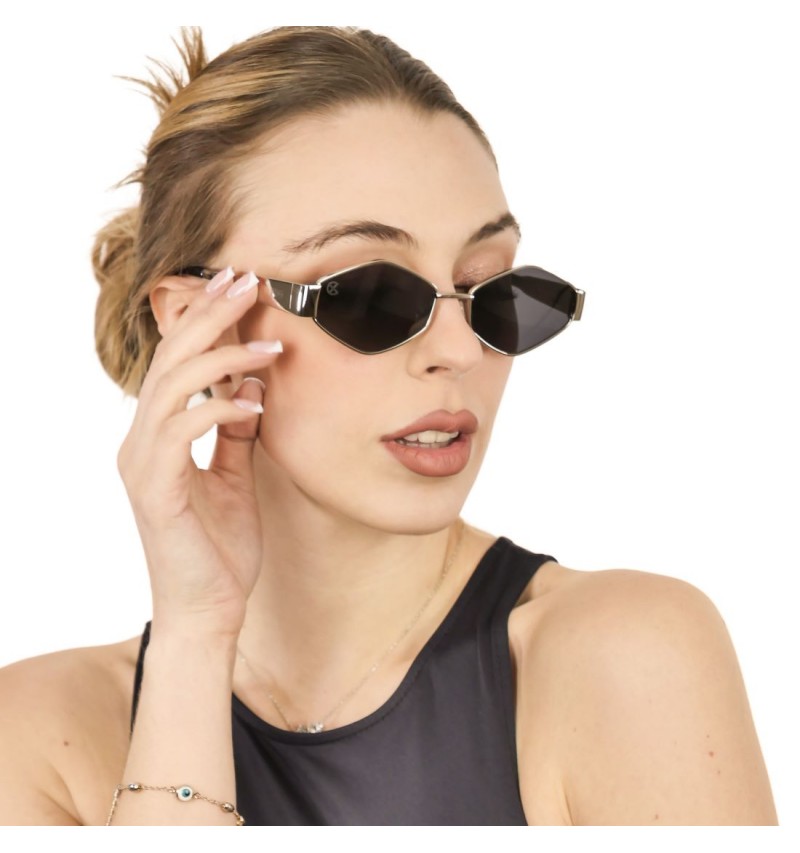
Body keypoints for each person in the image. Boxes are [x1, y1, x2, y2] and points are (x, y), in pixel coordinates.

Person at [0, 25, 777, 826]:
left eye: (488, 288)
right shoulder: (35, 739)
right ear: (202, 322)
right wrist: (194, 635)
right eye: (371, 295)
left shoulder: (626, 656)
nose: (460, 350)